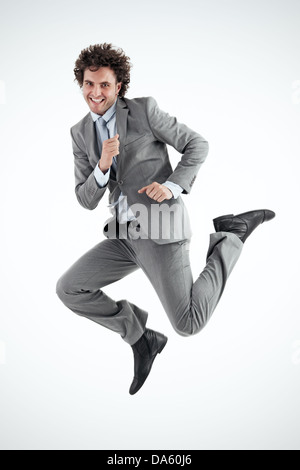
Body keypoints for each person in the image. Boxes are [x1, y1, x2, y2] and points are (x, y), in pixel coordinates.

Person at [56, 43, 275, 395]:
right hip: (123, 236)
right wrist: (102, 166)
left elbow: (196, 145)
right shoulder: (79, 134)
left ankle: (231, 236)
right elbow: (85, 198)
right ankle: (141, 339)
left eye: (104, 85)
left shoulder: (144, 111)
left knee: (188, 323)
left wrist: (172, 186)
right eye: (89, 84)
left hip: (160, 230)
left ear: (119, 86)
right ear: (81, 84)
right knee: (69, 288)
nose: (95, 93)